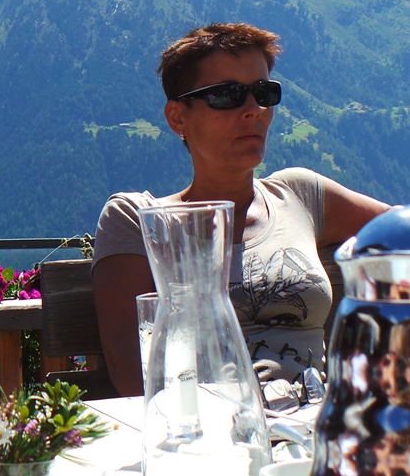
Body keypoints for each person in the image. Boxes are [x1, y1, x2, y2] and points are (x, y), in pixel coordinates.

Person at [91, 22, 390, 397]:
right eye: (228, 95)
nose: (254, 110)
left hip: (313, 418)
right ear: (178, 118)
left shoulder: (300, 195)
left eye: (264, 93)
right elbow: (134, 373)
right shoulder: (140, 220)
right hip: (210, 424)